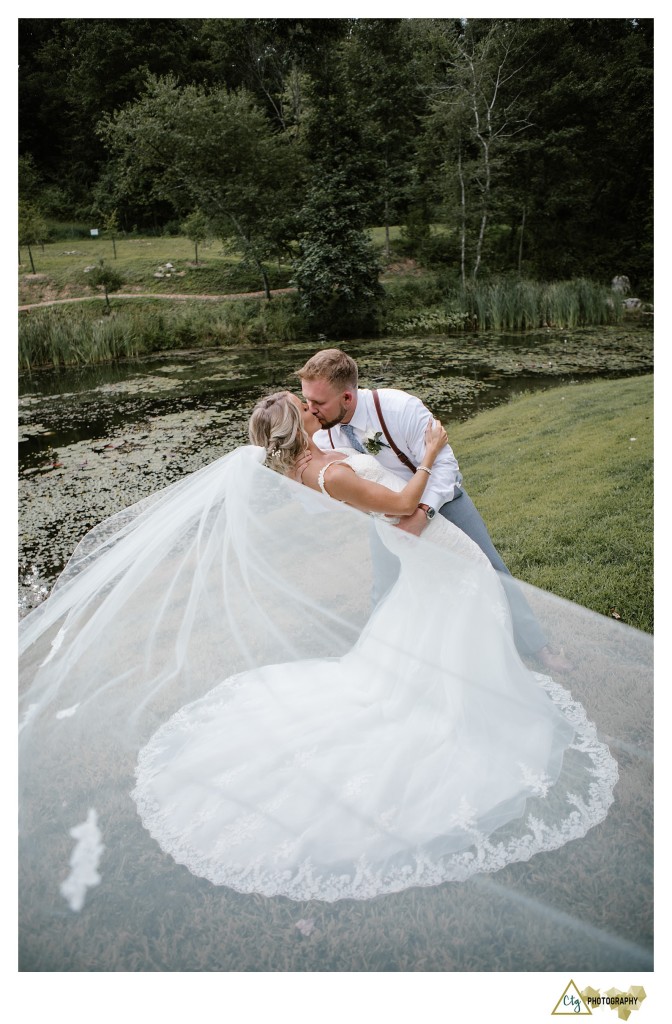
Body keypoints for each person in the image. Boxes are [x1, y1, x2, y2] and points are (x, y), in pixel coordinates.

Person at [18, 390, 651, 962]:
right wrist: (429, 452)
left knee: (424, 628)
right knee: (457, 618)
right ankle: (455, 709)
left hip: (417, 547)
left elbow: (343, 461)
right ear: (302, 427)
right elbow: (404, 503)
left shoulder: (306, 460)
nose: (312, 406)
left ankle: (443, 688)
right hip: (428, 544)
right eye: (305, 406)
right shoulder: (332, 471)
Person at [297, 348, 571, 673]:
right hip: (386, 513)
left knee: (491, 569)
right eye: (307, 401)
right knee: (384, 587)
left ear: (347, 396)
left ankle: (537, 647)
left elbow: (445, 465)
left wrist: (422, 512)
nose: (311, 410)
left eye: (318, 403)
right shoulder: (322, 428)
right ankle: (379, 659)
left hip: (441, 500)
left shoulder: (399, 408)